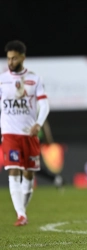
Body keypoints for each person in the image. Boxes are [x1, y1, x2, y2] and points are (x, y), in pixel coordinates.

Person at [0, 40, 50, 226]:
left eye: (14, 58)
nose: (10, 62)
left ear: (22, 57)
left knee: (29, 174)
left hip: (29, 134)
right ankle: (21, 215)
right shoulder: (2, 79)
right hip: (9, 133)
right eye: (8, 58)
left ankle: (22, 211)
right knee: (13, 170)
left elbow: (44, 104)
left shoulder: (34, 79)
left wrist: (38, 124)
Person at [35, 119, 64, 189]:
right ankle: (55, 179)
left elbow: (45, 124)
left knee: (32, 165)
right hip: (28, 140)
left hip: (36, 140)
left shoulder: (36, 111)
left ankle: (55, 179)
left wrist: (48, 139)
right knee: (33, 166)